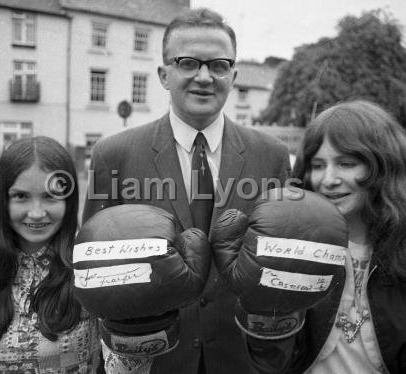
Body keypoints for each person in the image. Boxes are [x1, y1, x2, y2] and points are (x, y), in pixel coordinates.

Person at [83, 7, 291, 374]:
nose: (205, 77)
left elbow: (283, 262)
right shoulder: (114, 155)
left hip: (241, 359)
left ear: (234, 74)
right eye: (189, 62)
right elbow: (92, 268)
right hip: (153, 361)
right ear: (164, 74)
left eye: (219, 65)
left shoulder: (271, 155)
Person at [244, 100, 406, 373]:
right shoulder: (293, 244)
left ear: (384, 166)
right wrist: (260, 307)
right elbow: (272, 362)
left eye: (346, 163)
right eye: (317, 165)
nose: (328, 179)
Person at [0, 136, 101, 373]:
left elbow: (119, 358)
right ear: (2, 200)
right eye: (21, 196)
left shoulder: (89, 269)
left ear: (69, 201)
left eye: (50, 196)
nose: (36, 213)